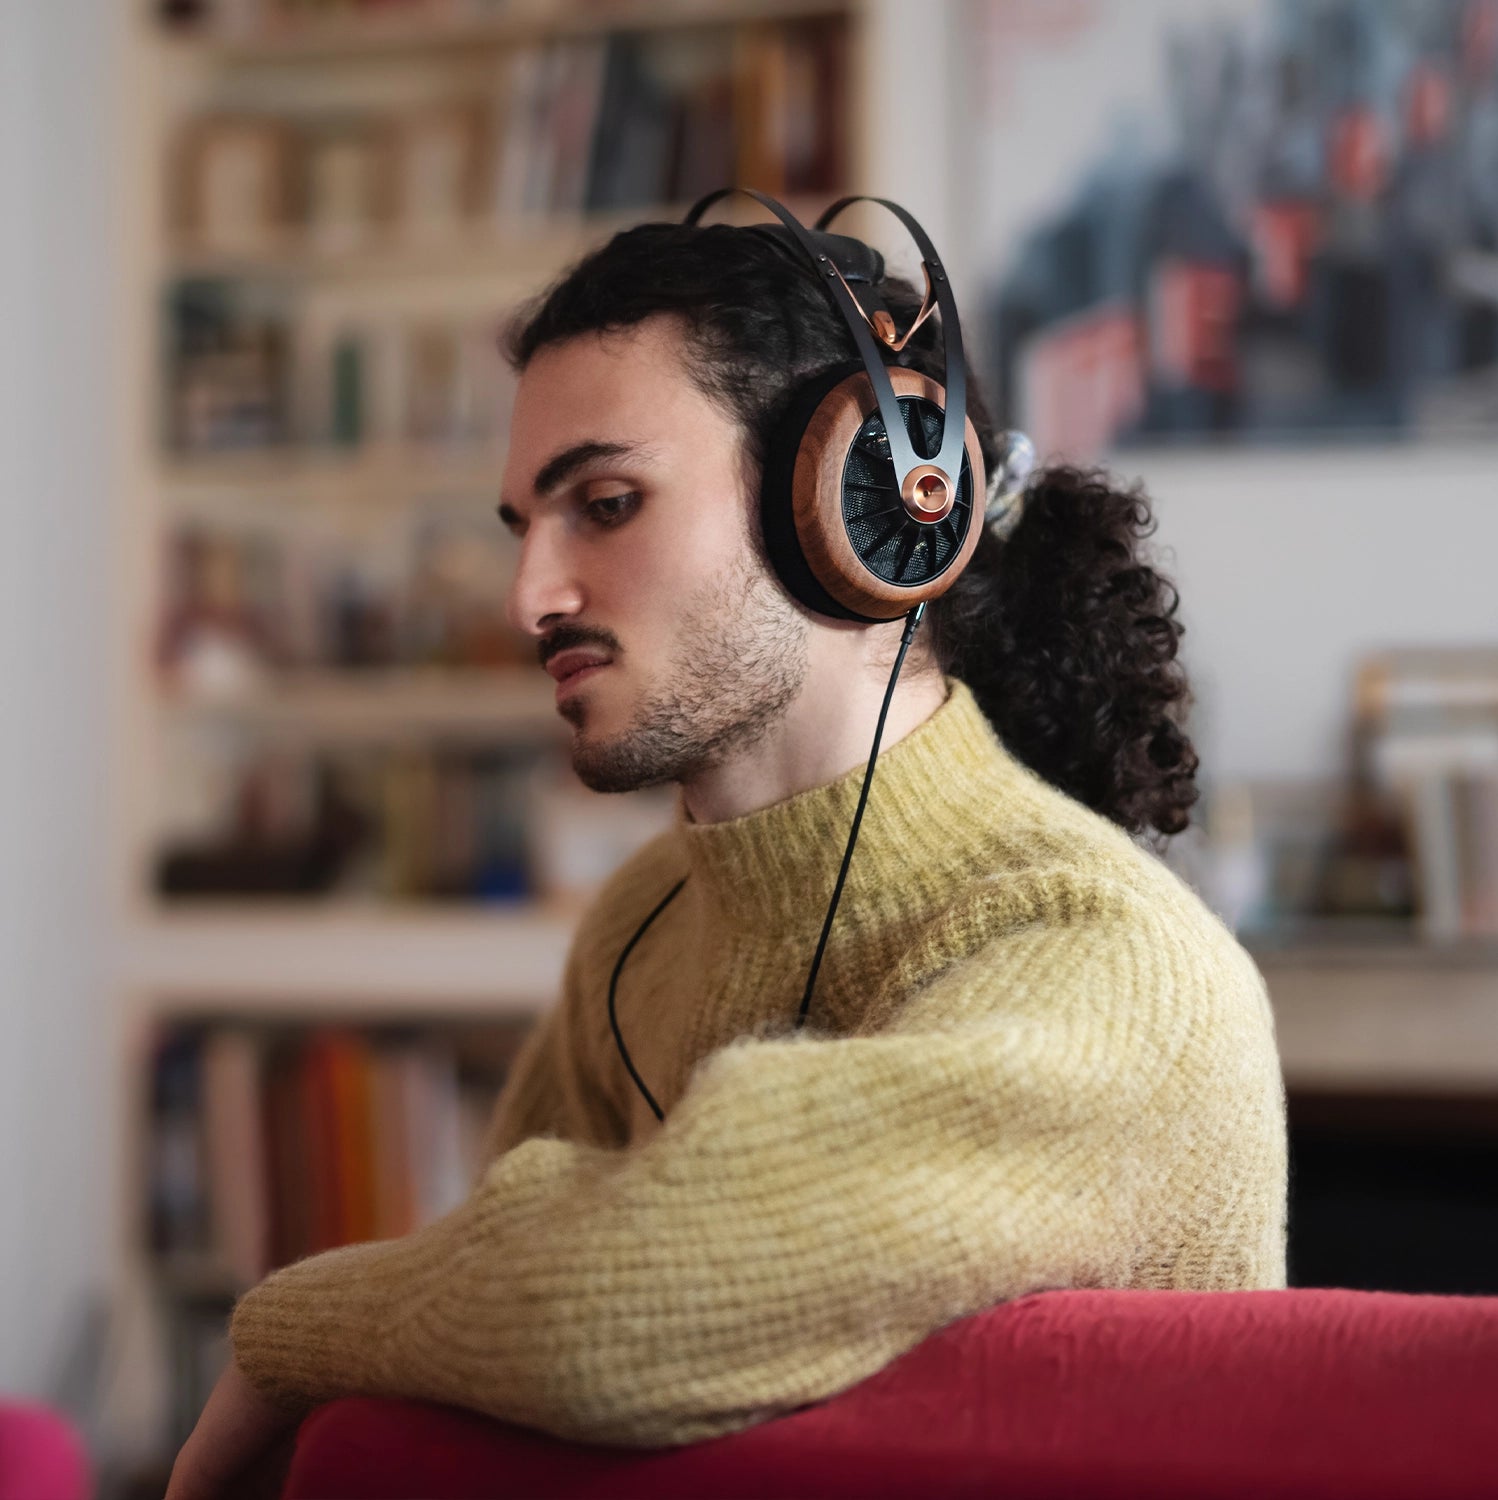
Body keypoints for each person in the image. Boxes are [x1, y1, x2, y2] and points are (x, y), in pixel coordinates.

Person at [167, 215, 1287, 1497]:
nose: (530, 595)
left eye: (606, 505)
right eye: (522, 524)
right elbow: (487, 1327)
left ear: (866, 507)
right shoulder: (643, 921)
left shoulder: (1113, 965)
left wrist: (281, 1335)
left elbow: (604, 1300)